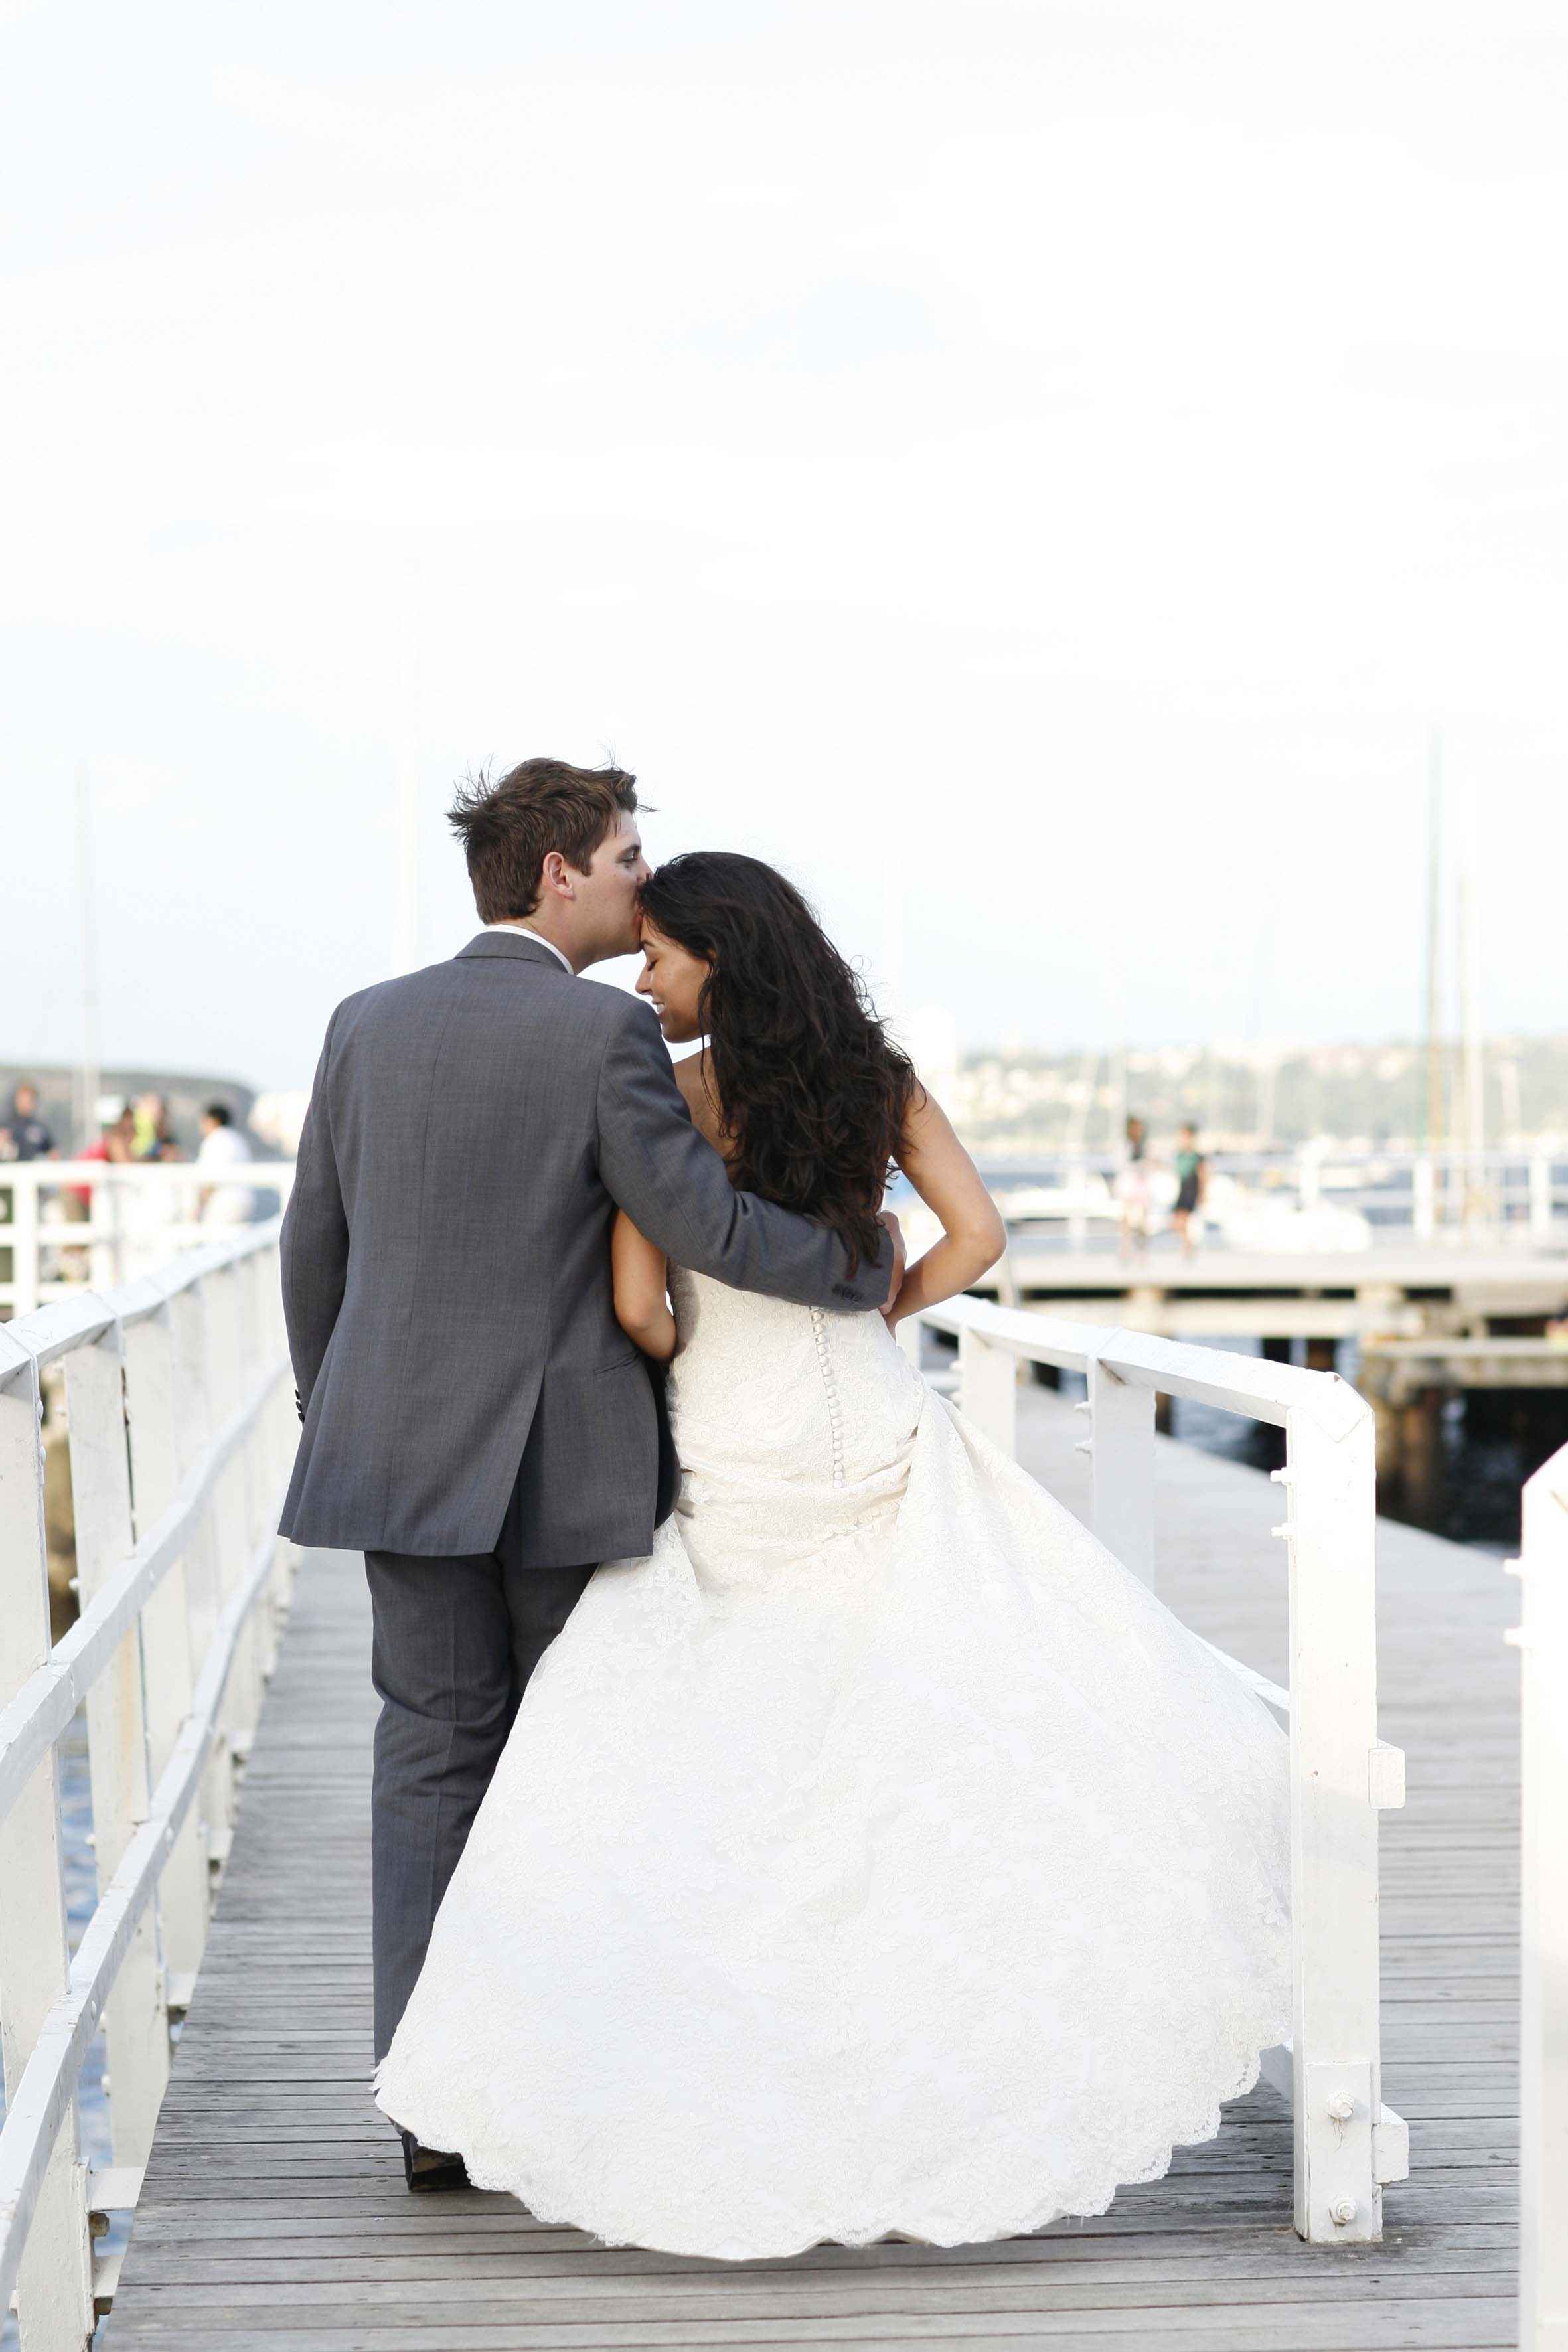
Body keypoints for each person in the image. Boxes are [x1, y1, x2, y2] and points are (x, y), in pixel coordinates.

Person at [371, 850, 1291, 2260]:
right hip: (867, 1433)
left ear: (719, 962)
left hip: (736, 1446)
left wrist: (697, 1338)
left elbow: (635, 1301)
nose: (643, 976)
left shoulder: (668, 1098)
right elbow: (975, 1233)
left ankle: (699, 2060)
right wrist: (878, 1312)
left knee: (706, 1756)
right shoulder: (878, 1078)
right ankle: (936, 2040)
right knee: (909, 1739)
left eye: (663, 955)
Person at [277, 761, 903, 2194]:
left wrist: (341, 1403)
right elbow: (697, 1217)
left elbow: (316, 1242)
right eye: (625, 857)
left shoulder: (361, 1024)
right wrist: (858, 1262)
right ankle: (560, 2082)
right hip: (560, 1460)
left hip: (393, 1451)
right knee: (576, 1762)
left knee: (431, 1758)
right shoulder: (603, 1033)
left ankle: (428, 2108)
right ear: (556, 873)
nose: (640, 882)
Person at [196, 1103, 255, 1223]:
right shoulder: (238, 1139)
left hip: (224, 1202)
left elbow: (211, 1178)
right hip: (246, 1200)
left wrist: (199, 1206)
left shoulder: (215, 1139)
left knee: (215, 1239)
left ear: (213, 1121)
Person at [1115, 1111, 1152, 1258]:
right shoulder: (1125, 1145)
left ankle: (1142, 1249)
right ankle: (1126, 1247)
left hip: (1141, 1183)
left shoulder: (1145, 1145)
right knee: (1126, 1215)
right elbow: (1121, 1163)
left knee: (1143, 1216)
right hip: (1129, 1182)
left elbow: (1149, 1163)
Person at [1172, 1120, 1208, 1258]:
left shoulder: (1197, 1157)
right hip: (1182, 1189)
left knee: (1183, 1220)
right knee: (1178, 1222)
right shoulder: (1180, 1155)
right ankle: (1188, 1246)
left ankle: (1188, 1248)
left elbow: (1202, 1175)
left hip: (1191, 1190)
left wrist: (1202, 1193)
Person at [1, 1081, 56, 1161]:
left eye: (28, 1099)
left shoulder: (40, 1127)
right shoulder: (6, 1124)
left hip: (34, 1171)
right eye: (22, 1099)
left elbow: (52, 1152)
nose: (25, 1103)